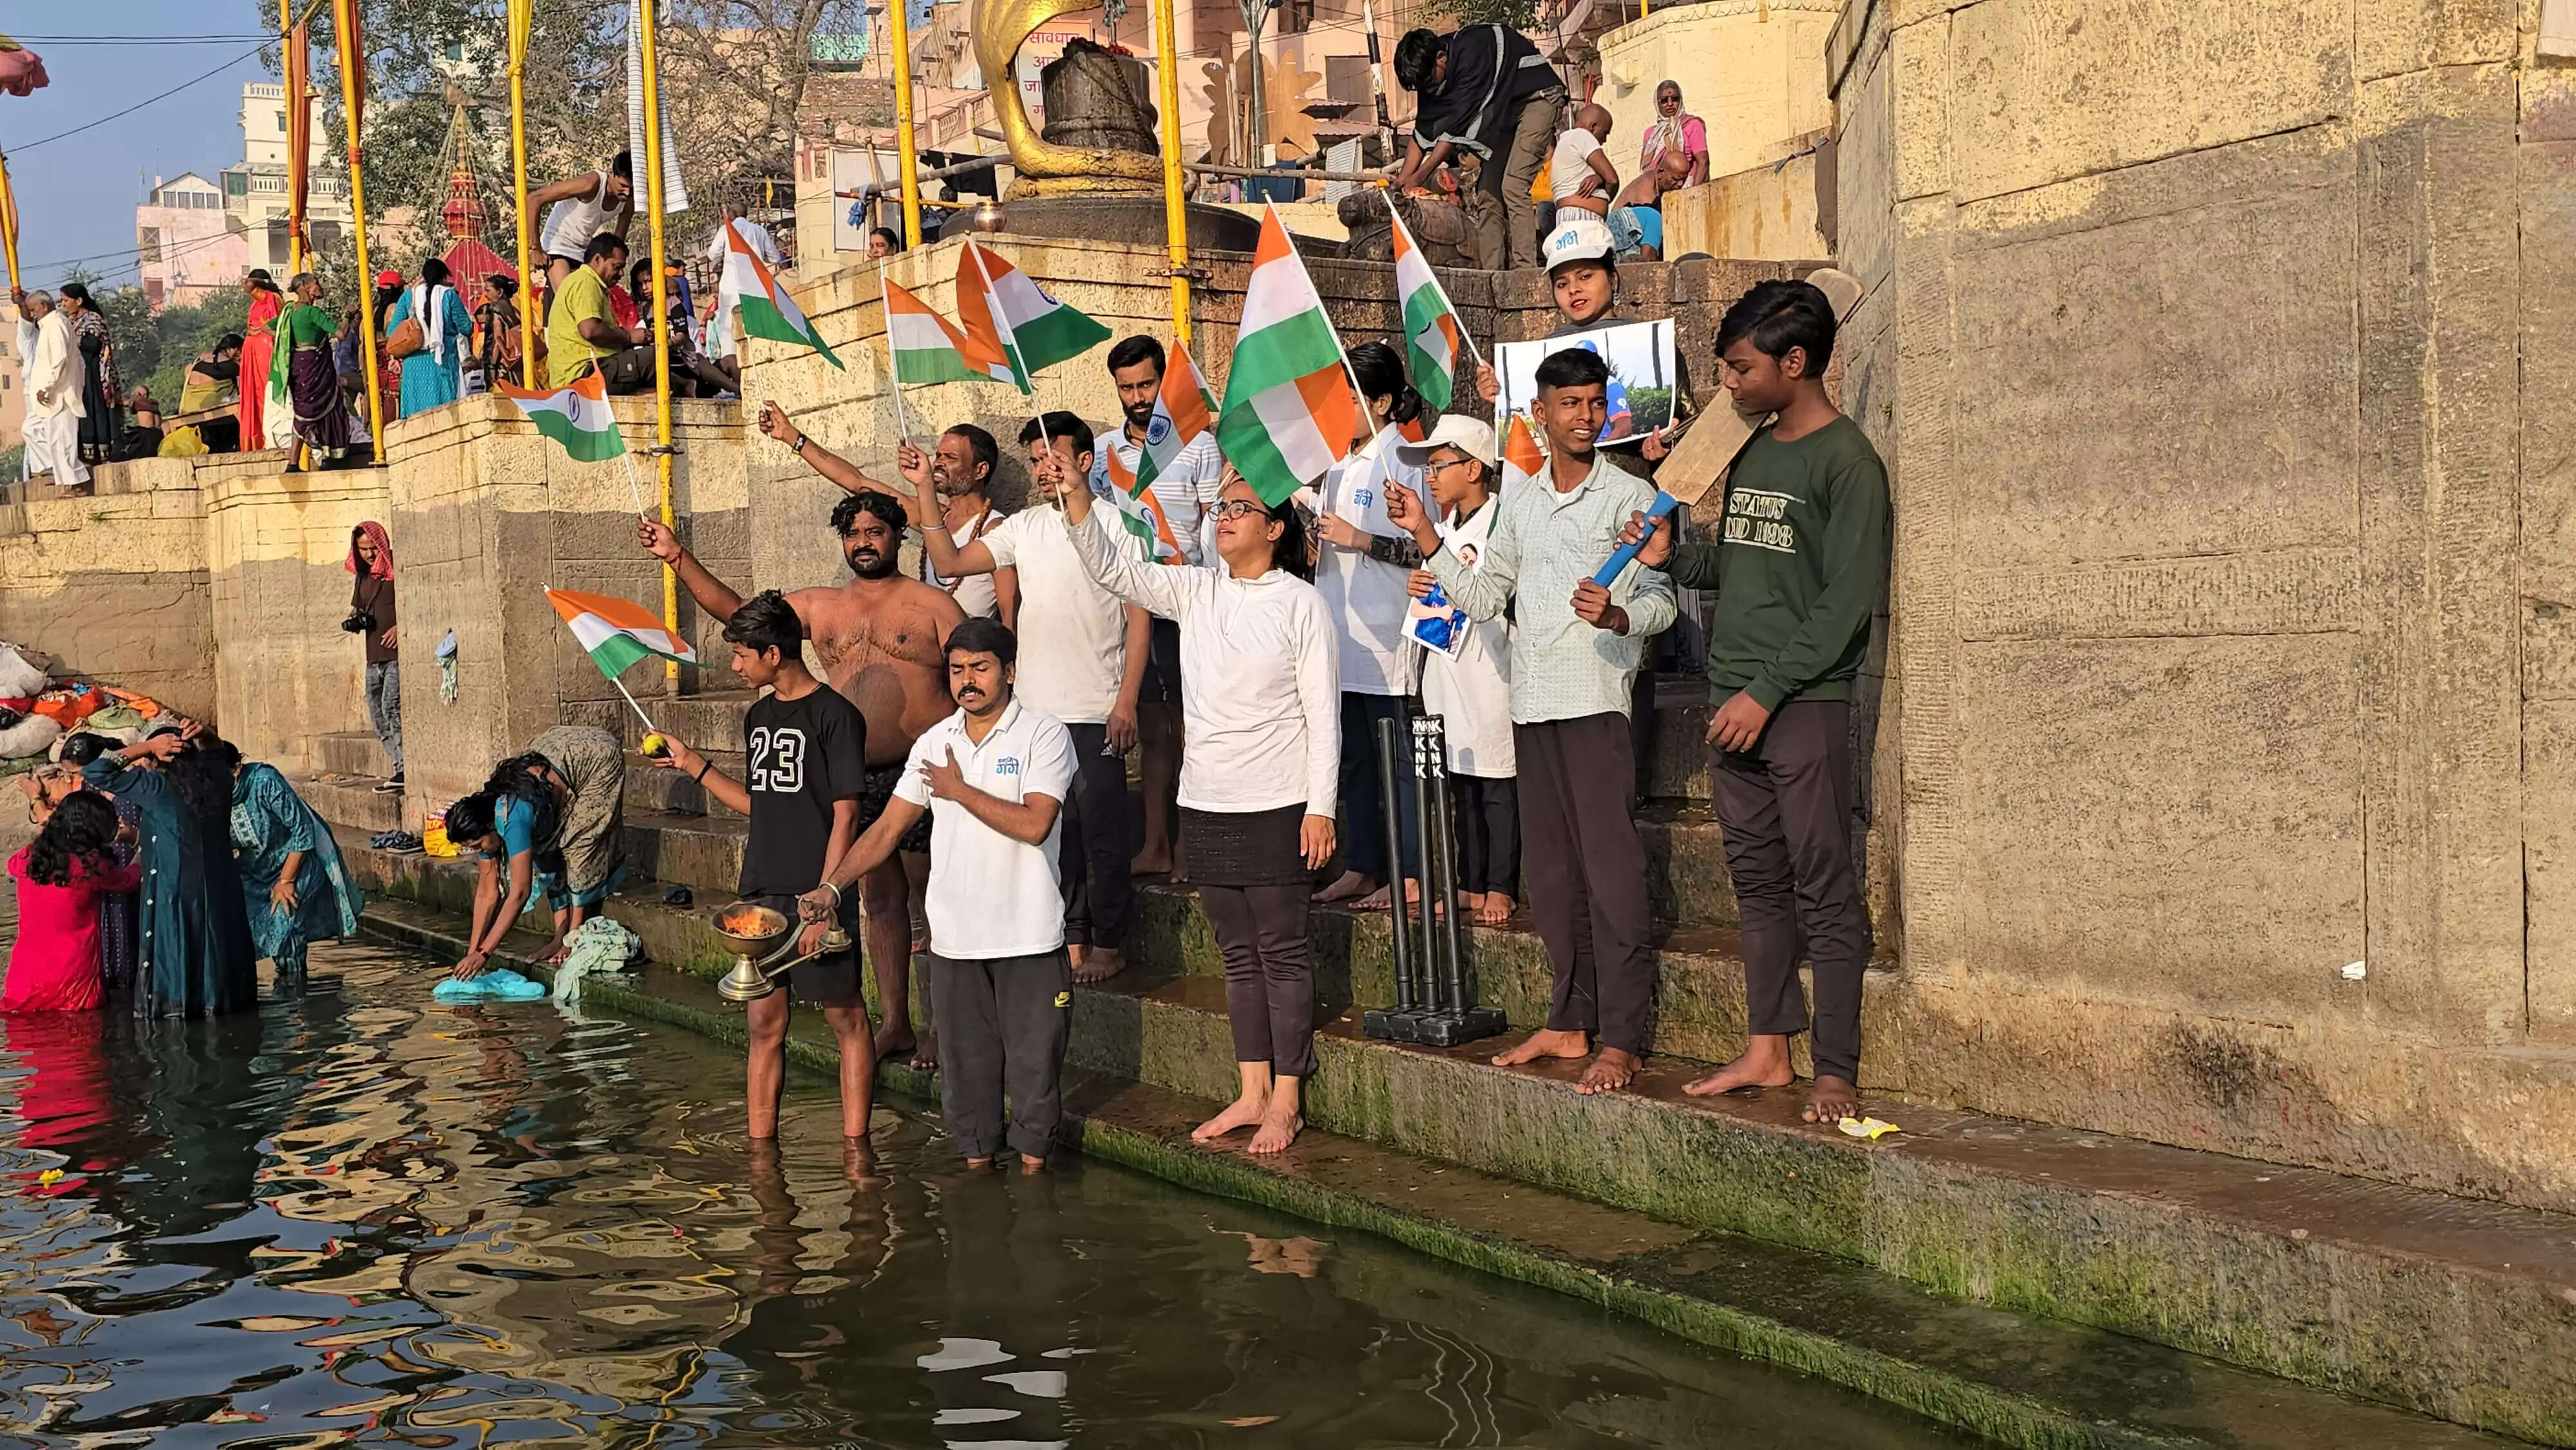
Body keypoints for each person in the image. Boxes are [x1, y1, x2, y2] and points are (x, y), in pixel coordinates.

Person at [1618, 279, 1891, 1124]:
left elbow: (1845, 604)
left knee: (1823, 886)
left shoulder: (1850, 465)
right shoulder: (1755, 452)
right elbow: (1738, 570)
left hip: (1802, 704)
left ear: (1795, 361)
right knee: (1758, 885)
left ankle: (1835, 1069)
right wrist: (1671, 557)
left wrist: (1767, 694)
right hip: (1731, 701)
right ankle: (1769, 1047)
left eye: (1740, 368)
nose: (1730, 385)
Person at [1384, 346, 1676, 1096]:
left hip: (1595, 706)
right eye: (1567, 403)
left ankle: (1622, 1036)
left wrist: (1617, 611)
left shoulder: (1628, 498)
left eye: (1592, 402)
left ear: (1605, 408)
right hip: (1533, 703)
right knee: (1549, 879)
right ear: (1539, 415)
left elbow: (1662, 604)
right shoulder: (1518, 501)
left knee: (1610, 876)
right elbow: (1483, 599)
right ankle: (1569, 1016)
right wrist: (1424, 532)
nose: (1582, 416)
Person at [1056, 455, 1338, 1154]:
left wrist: (1321, 807)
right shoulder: (1195, 590)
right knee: (1238, 956)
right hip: (1207, 800)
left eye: (1238, 508)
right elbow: (1116, 572)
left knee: (1282, 950)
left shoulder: (1301, 603)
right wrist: (1074, 501)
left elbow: (1323, 715)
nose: (1224, 516)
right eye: (1221, 508)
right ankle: (1250, 1091)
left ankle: (1288, 1098)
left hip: (1280, 800)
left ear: (1274, 529)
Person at [640, 475, 965, 1069]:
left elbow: (975, 667)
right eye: (854, 533)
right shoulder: (822, 606)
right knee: (880, 901)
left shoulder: (933, 604)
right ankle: (897, 1023)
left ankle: (944, 1027)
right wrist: (678, 557)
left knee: (931, 902)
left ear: (899, 537)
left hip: (919, 773)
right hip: (851, 776)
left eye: (877, 531)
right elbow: (747, 619)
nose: (864, 542)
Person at [799, 617, 1077, 1171]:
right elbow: (885, 831)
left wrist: (958, 790)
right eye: (957, 670)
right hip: (954, 941)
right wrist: (833, 887)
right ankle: (978, 1184)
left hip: (1029, 936)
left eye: (980, 668)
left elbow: (1035, 824)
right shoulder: (936, 740)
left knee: (1035, 1074)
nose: (967, 680)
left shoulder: (1044, 734)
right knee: (967, 1079)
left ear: (1010, 672)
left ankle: (1034, 1184)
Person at [888, 412, 1150, 983]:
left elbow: (1139, 619)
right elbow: (952, 561)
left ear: (1085, 462)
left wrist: (1126, 700)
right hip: (1034, 711)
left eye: (1053, 458)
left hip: (1096, 706)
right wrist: (924, 492)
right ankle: (1073, 935)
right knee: (1061, 832)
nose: (1042, 470)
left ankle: (1110, 941)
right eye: (1034, 461)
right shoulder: (1023, 527)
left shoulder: (1120, 524)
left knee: (1102, 832)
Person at [649, 590, 878, 1143]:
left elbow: (846, 815)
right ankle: (760, 1147)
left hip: (816, 889)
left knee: (844, 1017)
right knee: (763, 1024)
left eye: (742, 654)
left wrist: (826, 897)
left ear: (774, 654)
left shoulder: (836, 717)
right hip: (761, 887)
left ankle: (856, 1147)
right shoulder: (758, 716)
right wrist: (693, 764)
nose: (734, 664)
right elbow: (762, 801)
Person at [1092, 335, 1224, 878]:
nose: (1138, 396)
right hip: (1130, 609)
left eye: (1146, 384)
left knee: (1192, 726)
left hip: (1190, 603)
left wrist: (1218, 598)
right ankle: (1155, 845)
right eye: (1127, 387)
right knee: (1150, 730)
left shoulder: (1199, 444)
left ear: (1164, 380)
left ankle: (1195, 846)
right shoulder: (1103, 453)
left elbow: (1214, 524)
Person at [1307, 341, 1427, 910]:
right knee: (1353, 756)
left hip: (1390, 637)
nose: (1340, 407)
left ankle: (1411, 870)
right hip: (1339, 635)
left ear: (1381, 402)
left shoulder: (1407, 459)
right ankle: (1362, 864)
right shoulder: (1338, 464)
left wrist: (1362, 541)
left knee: (1399, 762)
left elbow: (1429, 550)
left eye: (1351, 396)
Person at [1403, 415, 1519, 925]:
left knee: (1496, 780)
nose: (1430, 476)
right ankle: (1468, 882)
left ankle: (1502, 884)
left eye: (1439, 465)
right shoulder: (1446, 527)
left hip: (1492, 667)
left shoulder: (1503, 521)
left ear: (1474, 468)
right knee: (1460, 783)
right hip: (1446, 668)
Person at [80, 724, 262, 1018]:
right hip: (221, 891)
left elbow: (96, 771)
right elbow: (216, 751)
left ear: (161, 759)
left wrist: (145, 747)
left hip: (173, 889)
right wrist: (204, 734)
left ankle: (177, 1009)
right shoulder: (219, 779)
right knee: (217, 949)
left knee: (176, 950)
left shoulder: (156, 787)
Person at [441, 726, 629, 974]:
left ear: (490, 828)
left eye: (478, 846)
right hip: (557, 756)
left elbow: (519, 893)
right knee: (544, 848)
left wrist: (485, 953)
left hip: (597, 757)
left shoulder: (512, 818)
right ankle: (560, 936)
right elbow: (488, 893)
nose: (479, 851)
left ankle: (573, 939)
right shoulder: (485, 823)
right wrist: (471, 953)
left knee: (577, 844)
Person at [1392, 23, 1567, 268]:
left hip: (1538, 98)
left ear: (1442, 60)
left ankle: (1524, 272)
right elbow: (1423, 132)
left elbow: (1452, 132)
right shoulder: (1428, 72)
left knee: (1514, 185)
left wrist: (1420, 176)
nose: (1429, 91)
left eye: (1430, 83)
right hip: (1505, 111)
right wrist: (1401, 182)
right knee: (1487, 194)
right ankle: (1491, 276)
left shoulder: (1472, 54)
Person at [228, 744, 366, 980]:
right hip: (256, 871)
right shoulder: (209, 794)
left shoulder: (264, 781)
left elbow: (302, 830)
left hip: (297, 862)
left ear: (236, 769)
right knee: (242, 929)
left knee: (286, 921)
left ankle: (296, 992)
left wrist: (286, 880)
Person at [3, 791, 140, 1012]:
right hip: (73, 981)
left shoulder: (27, 858)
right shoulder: (90, 867)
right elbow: (130, 880)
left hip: (25, 979)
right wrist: (139, 843)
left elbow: (11, 865)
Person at [544, 234, 648, 391]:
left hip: (590, 369)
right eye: (617, 267)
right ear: (598, 260)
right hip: (583, 374)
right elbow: (590, 330)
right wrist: (629, 337)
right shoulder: (586, 282)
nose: (621, 274)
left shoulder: (589, 283)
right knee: (656, 358)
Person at [282, 272, 361, 468]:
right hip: (315, 367)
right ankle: (327, 457)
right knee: (328, 408)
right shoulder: (313, 313)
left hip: (299, 366)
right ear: (306, 288)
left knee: (305, 412)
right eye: (316, 283)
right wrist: (347, 315)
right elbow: (341, 334)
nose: (320, 286)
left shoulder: (289, 312)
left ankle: (294, 463)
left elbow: (267, 328)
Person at [346, 522, 403, 793]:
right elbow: (357, 609)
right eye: (364, 548)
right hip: (374, 658)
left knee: (392, 708)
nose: (370, 554)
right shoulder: (363, 576)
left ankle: (404, 767)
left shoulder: (396, 571)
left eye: (373, 547)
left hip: (395, 656)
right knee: (378, 714)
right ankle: (398, 765)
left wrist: (400, 627)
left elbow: (413, 603)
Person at [530, 151, 634, 290]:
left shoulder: (629, 200)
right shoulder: (591, 183)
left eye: (631, 189)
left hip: (585, 251)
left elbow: (617, 243)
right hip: (558, 243)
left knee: (595, 296)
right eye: (623, 186)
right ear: (611, 174)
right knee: (569, 295)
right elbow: (534, 199)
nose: (627, 193)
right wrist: (536, 249)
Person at [15, 290, 87, 490]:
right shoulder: (49, 326)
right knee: (52, 439)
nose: (33, 315)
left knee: (63, 441)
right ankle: (63, 478)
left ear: (43, 306)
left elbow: (60, 359)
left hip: (59, 394)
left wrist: (47, 388)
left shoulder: (55, 324)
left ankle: (77, 485)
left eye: (33, 310)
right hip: (53, 396)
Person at [388, 257, 474, 417]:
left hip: (413, 367)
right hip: (443, 362)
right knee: (444, 412)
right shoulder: (449, 296)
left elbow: (392, 331)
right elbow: (466, 328)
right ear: (443, 277)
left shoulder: (408, 297)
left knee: (416, 415)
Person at [57, 283, 120, 467]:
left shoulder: (93, 319)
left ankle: (100, 454)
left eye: (66, 300)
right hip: (76, 375)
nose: (63, 305)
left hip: (92, 374)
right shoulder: (71, 322)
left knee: (93, 410)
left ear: (79, 300)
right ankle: (81, 457)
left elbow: (93, 345)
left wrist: (72, 338)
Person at [1607, 150, 1692, 263]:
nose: (1681, 184)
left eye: (1684, 179)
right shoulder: (1647, 198)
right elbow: (1648, 255)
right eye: (1676, 179)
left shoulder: (1656, 183)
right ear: (1661, 173)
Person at [1550, 104, 1620, 219]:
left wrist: (1599, 179)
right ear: (1593, 126)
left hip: (1568, 216)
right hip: (1583, 217)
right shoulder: (1582, 135)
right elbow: (1612, 180)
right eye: (1605, 133)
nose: (1605, 140)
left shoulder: (1566, 141)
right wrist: (1605, 198)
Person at [240, 270, 283, 447]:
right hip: (253, 354)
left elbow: (254, 291)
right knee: (255, 397)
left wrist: (251, 284)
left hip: (266, 351)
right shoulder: (255, 304)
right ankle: (257, 440)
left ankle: (271, 437)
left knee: (267, 393)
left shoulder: (271, 297)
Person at [179, 334, 243, 451]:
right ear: (233, 348)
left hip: (188, 408)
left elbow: (187, 370)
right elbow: (243, 388)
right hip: (214, 413)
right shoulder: (230, 366)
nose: (240, 355)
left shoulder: (200, 360)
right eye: (240, 351)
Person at [1640, 80, 1710, 187]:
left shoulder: (1692, 125)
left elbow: (1703, 161)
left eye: (1675, 99)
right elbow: (1647, 170)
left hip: (1686, 186)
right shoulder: (1650, 134)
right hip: (1657, 191)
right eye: (1664, 100)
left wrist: (1694, 192)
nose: (1670, 104)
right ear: (1657, 104)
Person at [475, 274, 522, 390]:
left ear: (499, 292)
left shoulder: (496, 311)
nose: (485, 295)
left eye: (488, 290)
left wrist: (493, 365)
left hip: (502, 363)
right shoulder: (514, 309)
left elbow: (498, 339)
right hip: (517, 362)